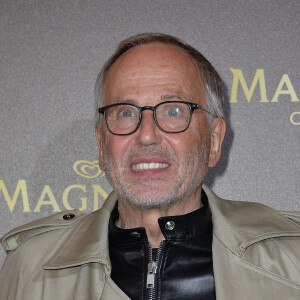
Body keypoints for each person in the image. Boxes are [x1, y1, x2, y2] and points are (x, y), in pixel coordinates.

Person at [0, 33, 299, 300]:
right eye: (126, 112)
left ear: (214, 140)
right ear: (102, 145)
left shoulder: (292, 260)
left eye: (173, 110)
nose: (145, 134)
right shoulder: (29, 270)